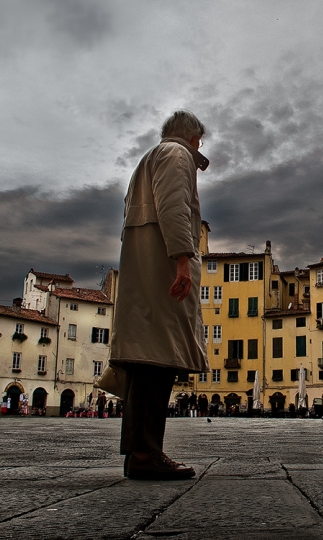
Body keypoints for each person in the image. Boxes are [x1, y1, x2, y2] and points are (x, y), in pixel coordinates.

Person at [110, 110, 209, 481]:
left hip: (146, 263)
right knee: (156, 358)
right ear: (192, 137)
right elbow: (174, 208)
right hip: (163, 266)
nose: (199, 147)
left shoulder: (149, 157)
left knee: (145, 357)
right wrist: (182, 261)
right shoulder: (176, 154)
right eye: (199, 141)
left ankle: (140, 451)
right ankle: (144, 454)